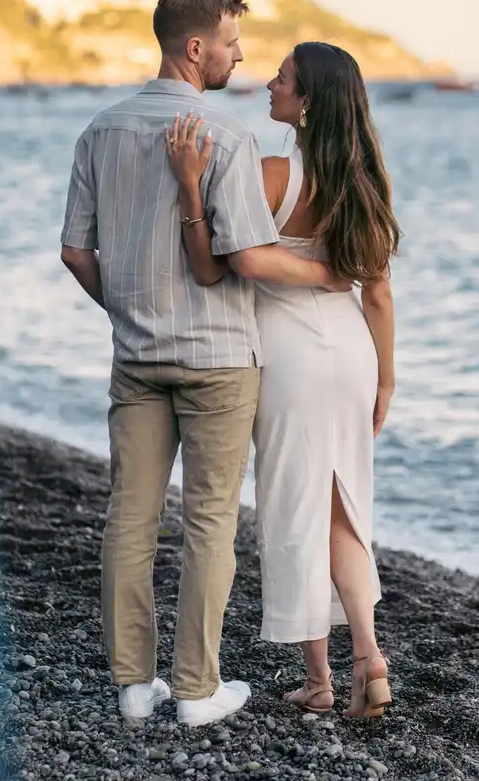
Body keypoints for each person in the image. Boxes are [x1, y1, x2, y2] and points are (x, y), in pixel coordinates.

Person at [60, 0, 350, 728]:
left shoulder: (100, 130)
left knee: (130, 515)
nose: (240, 57)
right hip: (219, 357)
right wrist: (328, 273)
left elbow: (74, 252)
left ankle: (133, 685)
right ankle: (195, 690)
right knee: (211, 521)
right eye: (230, 43)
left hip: (137, 355)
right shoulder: (224, 137)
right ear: (197, 48)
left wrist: (127, 307)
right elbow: (243, 255)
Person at [166, 41, 399, 717]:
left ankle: (324, 681)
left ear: (309, 100)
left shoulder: (272, 174)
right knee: (344, 507)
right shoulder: (367, 181)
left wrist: (188, 185)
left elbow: (240, 259)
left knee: (294, 508)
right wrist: (387, 379)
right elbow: (378, 292)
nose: (271, 83)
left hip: (288, 349)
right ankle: (369, 656)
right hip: (352, 349)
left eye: (284, 78)